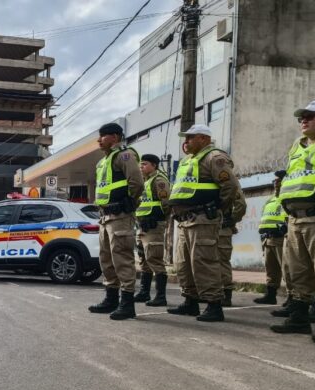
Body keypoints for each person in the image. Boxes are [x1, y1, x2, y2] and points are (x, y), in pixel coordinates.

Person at [271, 100, 315, 343]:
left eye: (310, 116)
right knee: (297, 272)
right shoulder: (297, 147)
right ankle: (299, 317)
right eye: (301, 118)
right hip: (296, 220)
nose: (304, 121)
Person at [166, 124, 239, 322]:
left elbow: (230, 187)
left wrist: (216, 209)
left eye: (190, 137)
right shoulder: (188, 161)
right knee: (183, 264)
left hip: (203, 219)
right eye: (185, 138)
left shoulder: (214, 157)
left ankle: (214, 305)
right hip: (184, 221)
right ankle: (190, 302)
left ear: (203, 139)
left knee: (204, 263)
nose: (186, 141)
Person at [88, 123, 143, 320]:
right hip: (105, 217)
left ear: (115, 137)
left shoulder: (125, 155)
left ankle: (127, 304)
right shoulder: (104, 161)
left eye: (103, 136)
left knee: (122, 258)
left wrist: (129, 203)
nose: (99, 139)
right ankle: (110, 299)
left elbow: (136, 182)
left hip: (120, 216)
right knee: (107, 260)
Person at [134, 154, 170, 306]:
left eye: (145, 164)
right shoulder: (145, 181)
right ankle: (144, 293)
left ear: (154, 165)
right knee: (144, 260)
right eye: (140, 164)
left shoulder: (159, 180)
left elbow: (166, 203)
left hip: (153, 225)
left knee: (154, 259)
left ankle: (161, 297)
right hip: (142, 226)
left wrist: (160, 219)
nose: (141, 167)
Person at [254, 174, 287, 304]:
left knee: (287, 270)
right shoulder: (271, 199)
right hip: (267, 239)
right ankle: (271, 295)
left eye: (279, 181)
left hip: (281, 238)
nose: (276, 183)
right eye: (275, 181)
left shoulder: (286, 198)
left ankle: (292, 298)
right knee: (271, 269)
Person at [218, 185, 247, 306]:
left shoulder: (228, 180)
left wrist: (231, 220)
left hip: (222, 229)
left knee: (221, 261)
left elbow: (241, 205)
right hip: (206, 227)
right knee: (207, 262)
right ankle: (212, 294)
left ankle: (226, 295)